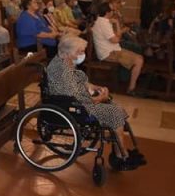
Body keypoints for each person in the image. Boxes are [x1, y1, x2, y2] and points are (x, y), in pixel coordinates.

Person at [45, 36, 145, 170]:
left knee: (115, 109)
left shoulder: (66, 61)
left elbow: (82, 82)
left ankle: (119, 151)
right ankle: (122, 155)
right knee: (114, 112)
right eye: (79, 51)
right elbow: (77, 99)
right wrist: (100, 98)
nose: (82, 54)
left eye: (82, 51)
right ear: (68, 53)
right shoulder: (62, 71)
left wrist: (97, 88)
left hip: (76, 103)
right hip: (74, 108)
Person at [92, 2, 145, 95]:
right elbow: (116, 40)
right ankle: (131, 89)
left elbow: (114, 37)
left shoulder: (103, 21)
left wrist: (117, 27)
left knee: (139, 57)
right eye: (112, 10)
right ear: (107, 12)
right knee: (139, 60)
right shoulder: (103, 23)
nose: (114, 12)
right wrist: (117, 25)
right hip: (109, 53)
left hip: (113, 50)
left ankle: (129, 84)